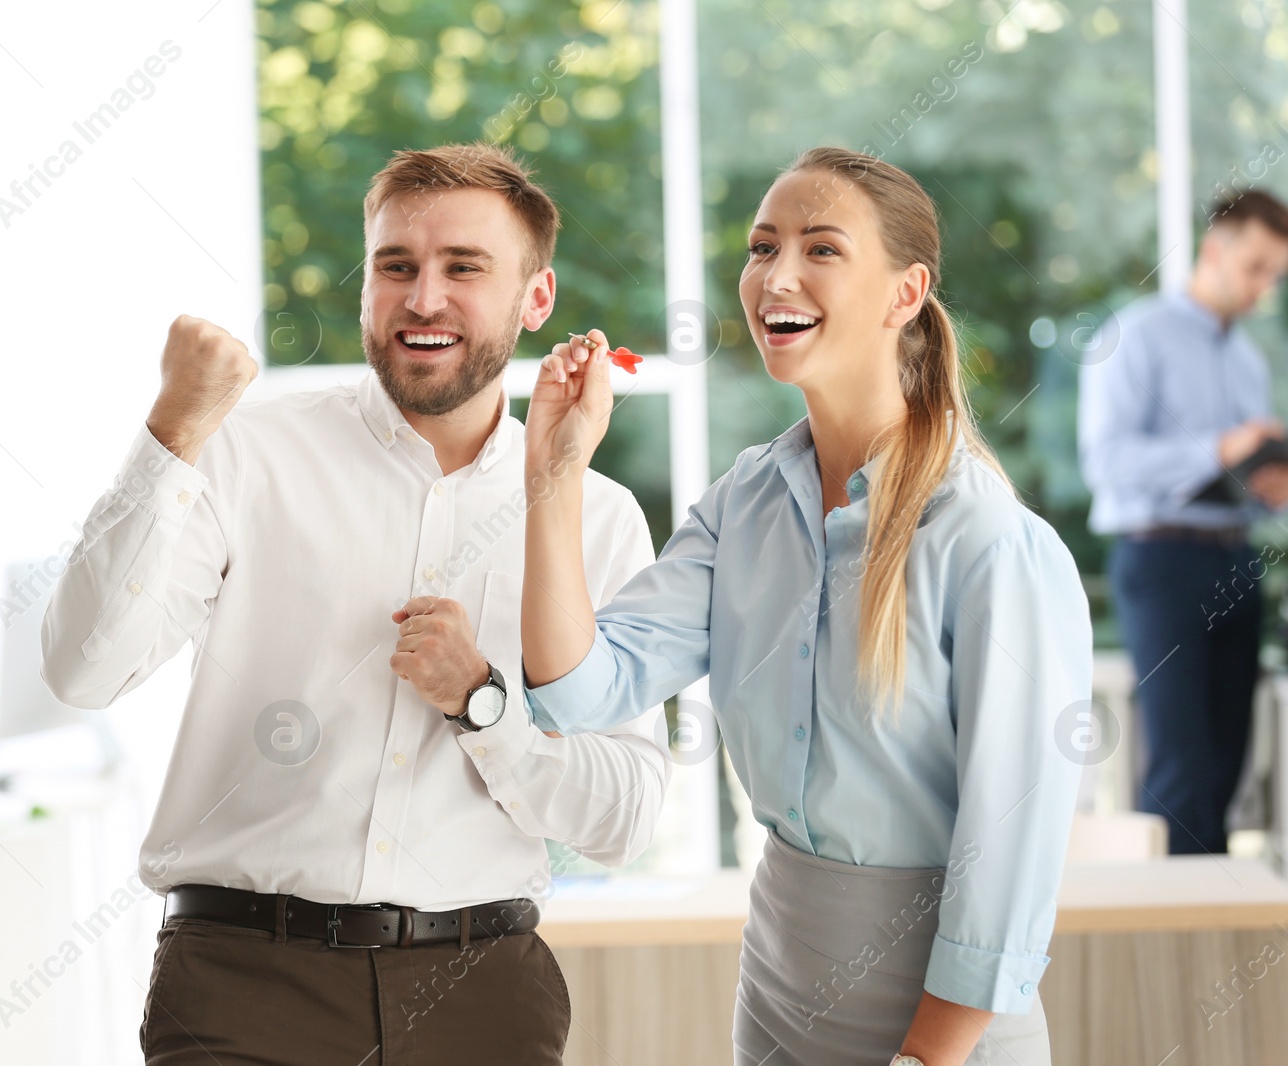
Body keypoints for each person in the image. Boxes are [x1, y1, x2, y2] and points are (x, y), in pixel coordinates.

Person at [41, 143, 670, 1066]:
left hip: (482, 996)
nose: (423, 299)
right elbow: (82, 670)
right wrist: (171, 431)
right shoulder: (243, 454)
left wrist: (484, 704)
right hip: (241, 992)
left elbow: (625, 821)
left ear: (535, 299)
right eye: (395, 267)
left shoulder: (598, 516)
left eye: (464, 268)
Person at [520, 147, 1092, 1065]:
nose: (775, 276)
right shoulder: (743, 502)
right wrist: (554, 475)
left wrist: (924, 1057)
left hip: (942, 1028)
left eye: (821, 249)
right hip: (778, 994)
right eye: (761, 247)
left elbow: (1012, 850)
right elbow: (576, 691)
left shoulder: (990, 542)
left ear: (906, 293)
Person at [1078, 189, 1288, 855]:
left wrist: (1268, 487)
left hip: (1236, 557)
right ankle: (1167, 930)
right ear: (1213, 251)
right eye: (1255, 268)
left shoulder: (1249, 361)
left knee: (1230, 760)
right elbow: (1107, 463)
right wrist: (1219, 447)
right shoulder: (1134, 335)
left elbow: (1241, 483)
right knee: (1181, 765)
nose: (1263, 288)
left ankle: (1216, 927)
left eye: (1274, 275)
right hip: (1162, 564)